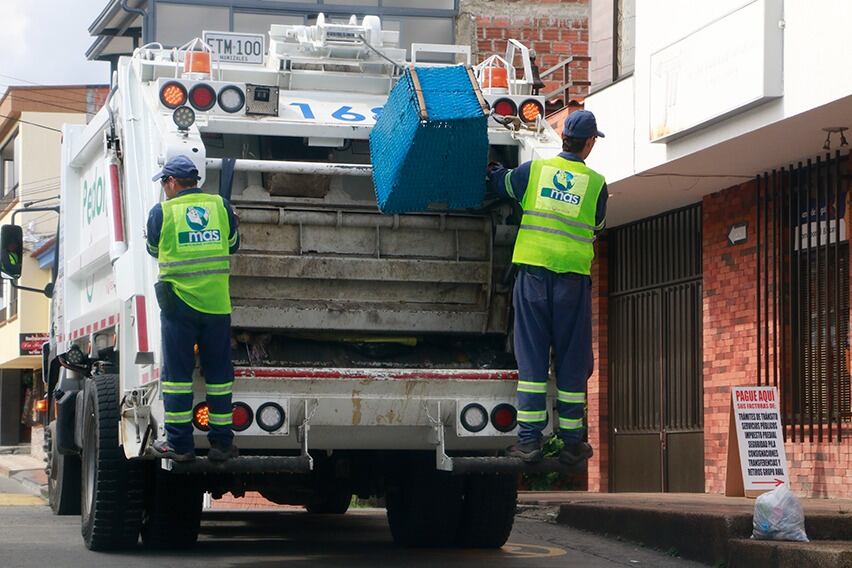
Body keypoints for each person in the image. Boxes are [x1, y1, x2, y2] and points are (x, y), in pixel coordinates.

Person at [486, 110, 608, 465]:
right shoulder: (597, 183)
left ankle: (529, 440)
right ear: (588, 143)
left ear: (563, 138)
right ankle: (572, 442)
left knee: (532, 358)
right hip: (572, 282)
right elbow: (598, 224)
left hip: (534, 278)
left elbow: (502, 185)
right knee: (572, 359)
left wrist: (493, 169)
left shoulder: (534, 172)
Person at [145, 155, 240, 462]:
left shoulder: (162, 212)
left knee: (177, 376)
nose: (164, 188)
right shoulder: (220, 207)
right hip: (216, 305)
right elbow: (233, 243)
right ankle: (222, 444)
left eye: (164, 182)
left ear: (172, 182)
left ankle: (180, 445)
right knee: (219, 375)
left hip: (179, 306)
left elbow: (152, 249)